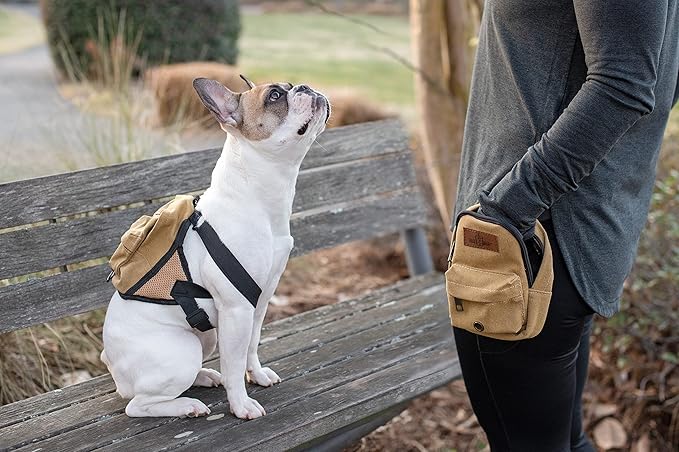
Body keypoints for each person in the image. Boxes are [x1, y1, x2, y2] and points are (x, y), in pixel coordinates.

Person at [452, 1, 679, 451]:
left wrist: (505, 209)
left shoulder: (521, 222)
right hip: (564, 234)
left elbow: (624, 86)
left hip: (529, 245)